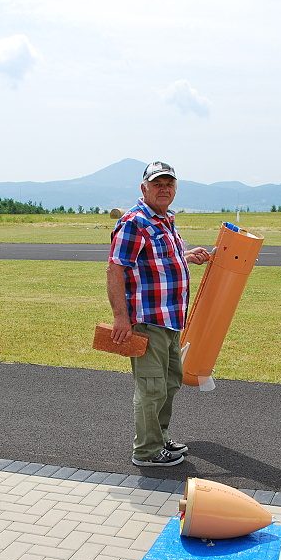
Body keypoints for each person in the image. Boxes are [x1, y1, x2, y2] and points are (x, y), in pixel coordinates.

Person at [106, 161, 211, 467]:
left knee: (170, 381)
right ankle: (146, 451)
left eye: (169, 184)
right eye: (157, 184)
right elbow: (115, 269)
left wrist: (185, 256)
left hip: (171, 319)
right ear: (144, 188)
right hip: (147, 320)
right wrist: (121, 317)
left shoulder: (165, 219)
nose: (164, 189)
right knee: (151, 387)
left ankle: (159, 437)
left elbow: (155, 261)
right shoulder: (134, 222)